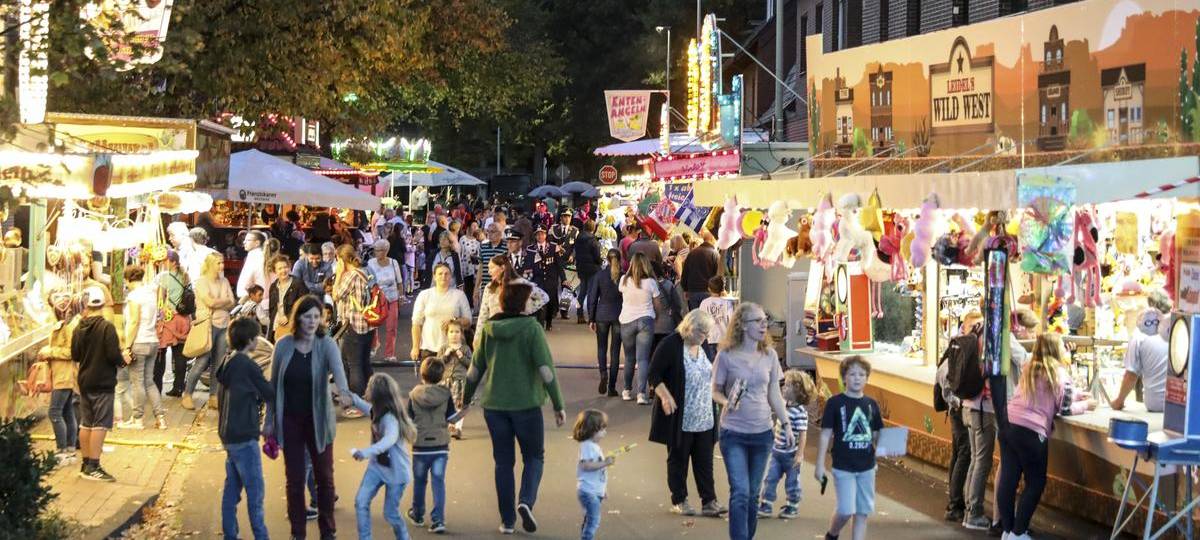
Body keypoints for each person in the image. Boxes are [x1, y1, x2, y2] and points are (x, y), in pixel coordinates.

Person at [461, 281, 567, 534]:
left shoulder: (489, 329)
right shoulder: (532, 329)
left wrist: (465, 400)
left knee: (503, 462)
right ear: (522, 303)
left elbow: (475, 370)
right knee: (534, 457)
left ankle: (507, 520)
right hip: (526, 404)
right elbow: (545, 369)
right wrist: (558, 404)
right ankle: (525, 501)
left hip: (494, 406)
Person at [265, 295, 354, 539]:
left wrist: (345, 394)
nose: (313, 321)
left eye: (317, 316)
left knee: (324, 478)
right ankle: (298, 532)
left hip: (319, 421)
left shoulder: (326, 344)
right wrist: (269, 421)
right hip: (290, 421)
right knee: (294, 480)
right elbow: (273, 386)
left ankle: (328, 531)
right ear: (298, 318)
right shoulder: (283, 345)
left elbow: (339, 375)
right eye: (308, 316)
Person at [998, 334, 1096, 540]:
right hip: (1032, 432)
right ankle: (1019, 532)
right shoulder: (1059, 372)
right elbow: (1065, 408)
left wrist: (1077, 394)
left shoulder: (1029, 368)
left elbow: (1049, 392)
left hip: (1009, 425)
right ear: (1056, 349)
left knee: (1008, 479)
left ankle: (1007, 530)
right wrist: (1086, 405)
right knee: (1035, 482)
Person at [712, 302, 792, 540]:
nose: (764, 324)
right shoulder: (725, 356)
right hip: (733, 433)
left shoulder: (769, 356)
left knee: (753, 494)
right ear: (743, 325)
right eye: (758, 321)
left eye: (765, 320)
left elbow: (774, 393)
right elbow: (715, 390)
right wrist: (726, 402)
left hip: (762, 433)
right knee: (740, 492)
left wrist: (786, 424)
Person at [647, 309, 727, 518]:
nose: (705, 337)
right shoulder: (670, 345)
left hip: (704, 415)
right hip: (680, 416)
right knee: (678, 460)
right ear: (690, 327)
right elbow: (653, 374)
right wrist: (665, 396)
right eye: (702, 333)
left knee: (705, 461)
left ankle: (709, 501)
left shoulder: (703, 346)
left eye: (708, 333)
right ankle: (679, 500)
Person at [216, 318, 275, 540]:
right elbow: (269, 392)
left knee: (232, 489)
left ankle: (230, 534)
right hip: (244, 434)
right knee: (255, 491)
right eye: (256, 337)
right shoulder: (247, 365)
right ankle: (261, 535)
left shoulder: (227, 361)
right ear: (250, 340)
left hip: (228, 434)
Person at [816, 356, 885, 540]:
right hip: (843, 465)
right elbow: (825, 434)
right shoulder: (835, 403)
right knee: (846, 509)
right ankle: (832, 534)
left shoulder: (871, 404)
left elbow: (876, 434)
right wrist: (819, 465)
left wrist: (887, 446)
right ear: (844, 377)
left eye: (862, 374)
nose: (857, 378)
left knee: (862, 512)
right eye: (852, 374)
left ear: (867, 378)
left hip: (867, 467)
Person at [348, 373, 418, 540]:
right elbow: (363, 406)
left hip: (396, 472)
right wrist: (345, 393)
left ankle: (404, 537)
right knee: (361, 502)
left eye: (369, 387)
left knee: (390, 514)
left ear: (377, 393)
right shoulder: (376, 411)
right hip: (377, 468)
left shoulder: (390, 419)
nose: (366, 389)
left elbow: (388, 441)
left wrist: (365, 452)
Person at [73, 286, 126, 482]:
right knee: (100, 424)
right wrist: (123, 359)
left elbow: (75, 355)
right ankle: (94, 466)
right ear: (103, 304)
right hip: (103, 381)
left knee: (86, 423)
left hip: (84, 380)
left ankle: (85, 463)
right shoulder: (107, 327)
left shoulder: (79, 327)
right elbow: (113, 354)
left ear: (86, 305)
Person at [406, 359, 458, 534]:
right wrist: (464, 411)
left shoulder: (414, 395)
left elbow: (408, 420)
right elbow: (451, 418)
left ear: (422, 374)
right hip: (440, 446)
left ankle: (418, 514)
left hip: (420, 446)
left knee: (420, 482)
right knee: (438, 482)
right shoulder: (445, 395)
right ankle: (438, 520)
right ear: (441, 376)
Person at [182, 253, 235, 411]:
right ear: (210, 264)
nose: (222, 266)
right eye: (218, 263)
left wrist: (220, 302)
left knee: (219, 363)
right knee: (202, 361)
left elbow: (232, 302)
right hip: (207, 324)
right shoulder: (201, 282)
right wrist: (224, 301)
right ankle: (187, 394)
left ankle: (214, 396)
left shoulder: (224, 281)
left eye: (222, 262)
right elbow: (209, 302)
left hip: (223, 324)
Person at [758, 370, 814, 520]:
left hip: (791, 455)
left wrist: (800, 454)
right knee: (770, 479)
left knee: (792, 482)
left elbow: (803, 434)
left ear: (798, 391)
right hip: (777, 452)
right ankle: (766, 504)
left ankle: (792, 505)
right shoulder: (783, 405)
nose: (783, 387)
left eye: (788, 385)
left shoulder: (800, 413)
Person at [959, 311, 996, 531]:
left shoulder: (972, 336)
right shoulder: (989, 337)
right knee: (982, 461)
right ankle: (974, 513)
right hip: (984, 408)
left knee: (975, 459)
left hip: (968, 405)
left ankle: (969, 509)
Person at [120, 265, 167, 430]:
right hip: (152, 340)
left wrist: (127, 346)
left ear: (128, 279)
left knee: (137, 383)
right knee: (149, 381)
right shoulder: (151, 292)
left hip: (139, 342)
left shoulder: (134, 296)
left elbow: (134, 321)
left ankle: (137, 419)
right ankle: (160, 418)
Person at [1112, 293, 1171, 412]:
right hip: (1180, 403)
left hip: (1155, 404)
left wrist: (1119, 401)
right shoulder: (1178, 328)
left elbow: (1131, 375)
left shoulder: (1140, 335)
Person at [41, 289, 80, 465]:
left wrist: (50, 351)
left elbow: (71, 352)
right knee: (67, 411)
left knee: (55, 412)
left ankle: (62, 450)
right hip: (65, 374)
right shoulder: (67, 323)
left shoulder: (68, 326)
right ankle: (70, 450)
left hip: (64, 375)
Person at [410, 263, 473, 366]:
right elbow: (416, 323)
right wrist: (415, 347)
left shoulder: (459, 295)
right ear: (434, 276)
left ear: (451, 276)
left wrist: (454, 321)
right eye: (440, 274)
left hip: (454, 349)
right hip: (428, 348)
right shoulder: (424, 295)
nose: (443, 276)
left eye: (446, 274)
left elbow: (468, 320)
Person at [618, 252, 661, 404]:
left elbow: (622, 295)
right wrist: (656, 316)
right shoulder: (651, 283)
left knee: (629, 357)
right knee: (643, 359)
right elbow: (657, 304)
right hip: (646, 320)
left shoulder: (624, 280)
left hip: (627, 320)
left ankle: (626, 390)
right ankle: (641, 394)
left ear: (631, 265)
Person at [587, 249, 623, 396]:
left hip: (602, 314)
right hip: (618, 315)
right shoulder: (623, 276)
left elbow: (592, 298)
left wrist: (591, 318)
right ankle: (612, 387)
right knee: (615, 351)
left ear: (607, 260)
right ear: (620, 260)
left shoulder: (599, 275)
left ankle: (603, 374)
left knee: (601, 347)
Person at [476, 254, 550, 325]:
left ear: (502, 268)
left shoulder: (520, 283)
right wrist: (479, 333)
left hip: (516, 328)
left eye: (492, 268)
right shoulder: (489, 288)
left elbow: (544, 297)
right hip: (495, 329)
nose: (489, 272)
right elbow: (483, 315)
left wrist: (527, 309)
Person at [574, 409, 614, 540]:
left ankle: (585, 536)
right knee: (593, 520)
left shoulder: (593, 446)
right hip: (588, 491)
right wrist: (605, 463)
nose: (605, 432)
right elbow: (586, 466)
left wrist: (603, 489)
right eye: (602, 429)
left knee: (589, 518)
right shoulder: (587, 446)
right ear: (592, 430)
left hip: (594, 490)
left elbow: (598, 472)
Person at [157, 251, 191, 397]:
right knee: (180, 355)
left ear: (173, 262)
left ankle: (157, 386)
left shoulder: (164, 277)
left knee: (162, 352)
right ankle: (178, 387)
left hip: (169, 317)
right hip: (183, 318)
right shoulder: (185, 276)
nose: (163, 263)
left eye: (165, 261)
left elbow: (160, 298)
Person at [367, 239, 404, 362]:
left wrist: (401, 296)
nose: (376, 253)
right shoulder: (370, 263)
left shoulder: (393, 262)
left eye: (379, 250)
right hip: (376, 299)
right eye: (375, 250)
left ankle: (389, 354)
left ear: (386, 251)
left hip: (392, 298)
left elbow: (399, 282)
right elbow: (368, 281)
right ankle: (374, 344)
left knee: (392, 327)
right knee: (372, 325)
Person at [438, 320, 472, 439]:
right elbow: (438, 364)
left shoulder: (465, 349)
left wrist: (462, 357)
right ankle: (451, 425)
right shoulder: (443, 348)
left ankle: (458, 428)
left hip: (460, 381)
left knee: (459, 405)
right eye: (451, 332)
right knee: (447, 404)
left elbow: (471, 364)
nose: (454, 334)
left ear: (461, 334)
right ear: (447, 333)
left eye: (457, 332)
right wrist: (445, 356)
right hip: (446, 381)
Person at [528, 227, 564, 330]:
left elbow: (559, 265)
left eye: (542, 234)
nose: (540, 236)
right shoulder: (530, 248)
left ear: (546, 235)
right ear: (535, 236)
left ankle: (549, 322)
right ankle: (539, 323)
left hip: (551, 279)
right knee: (539, 302)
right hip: (537, 280)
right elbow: (528, 264)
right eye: (538, 234)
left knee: (550, 302)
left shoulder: (553, 247)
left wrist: (564, 279)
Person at [698, 276, 738, 360]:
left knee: (713, 361)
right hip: (723, 337)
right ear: (722, 289)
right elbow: (731, 320)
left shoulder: (704, 303)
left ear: (709, 289)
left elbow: (700, 320)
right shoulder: (727, 303)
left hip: (710, 337)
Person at [682, 229, 722, 311]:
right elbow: (718, 274)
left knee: (696, 316)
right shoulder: (714, 254)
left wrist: (685, 289)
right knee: (707, 316)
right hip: (708, 291)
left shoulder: (692, 253)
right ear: (712, 239)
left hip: (693, 291)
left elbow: (685, 273)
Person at [652, 262, 686, 357]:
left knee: (654, 356)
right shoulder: (668, 284)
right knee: (667, 354)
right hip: (668, 325)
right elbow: (677, 304)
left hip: (651, 326)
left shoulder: (646, 286)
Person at [268, 255, 305, 342]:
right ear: (275, 271)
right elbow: (272, 310)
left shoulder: (298, 284)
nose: (283, 270)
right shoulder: (273, 287)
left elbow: (304, 306)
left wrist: (288, 317)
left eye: (285, 267)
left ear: (289, 267)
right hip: (276, 327)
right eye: (280, 268)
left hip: (293, 328)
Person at [573, 221, 604, 324]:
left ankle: (579, 314)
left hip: (581, 268)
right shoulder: (593, 240)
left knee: (582, 292)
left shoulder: (578, 239)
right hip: (592, 269)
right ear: (593, 228)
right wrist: (600, 262)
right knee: (591, 293)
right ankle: (591, 316)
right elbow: (597, 256)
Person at [474, 223, 508, 308]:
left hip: (501, 287)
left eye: (492, 232)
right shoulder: (483, 247)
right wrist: (476, 288)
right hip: (486, 287)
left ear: (500, 233)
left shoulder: (506, 247)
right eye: (488, 232)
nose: (489, 234)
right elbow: (481, 268)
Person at [237, 230, 268, 299]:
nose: (244, 242)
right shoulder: (253, 255)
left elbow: (249, 280)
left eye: (248, 240)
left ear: (257, 243)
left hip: (254, 298)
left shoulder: (257, 257)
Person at [459, 224, 481, 306]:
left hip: (476, 267)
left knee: (476, 286)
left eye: (476, 226)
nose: (475, 228)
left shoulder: (479, 239)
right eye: (473, 226)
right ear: (468, 227)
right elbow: (460, 253)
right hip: (466, 267)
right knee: (468, 287)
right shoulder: (463, 239)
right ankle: (469, 305)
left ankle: (475, 306)